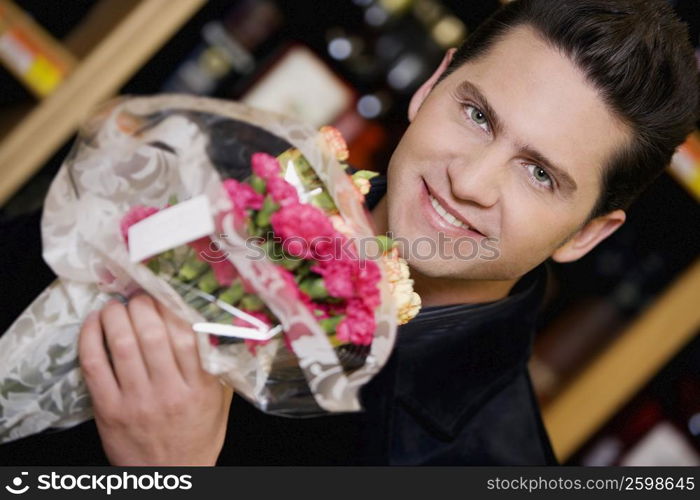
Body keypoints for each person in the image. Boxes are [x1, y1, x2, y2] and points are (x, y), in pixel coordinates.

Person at [3, 0, 698, 465]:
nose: (471, 182)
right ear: (432, 87)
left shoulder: (487, 463)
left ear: (587, 235)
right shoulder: (226, 182)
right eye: (479, 116)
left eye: (540, 174)